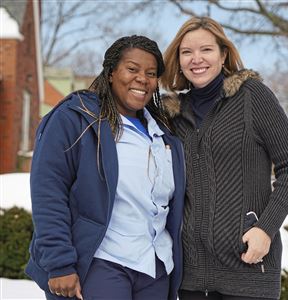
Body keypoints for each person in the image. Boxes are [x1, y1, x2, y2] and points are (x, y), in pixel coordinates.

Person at [25, 35, 185, 300]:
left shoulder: (164, 135)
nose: (142, 79)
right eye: (132, 69)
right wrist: (59, 263)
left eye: (151, 73)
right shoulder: (76, 119)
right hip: (101, 263)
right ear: (111, 73)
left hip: (155, 267)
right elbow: (48, 191)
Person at [160, 17, 288, 300]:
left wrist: (266, 229)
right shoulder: (173, 115)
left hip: (249, 266)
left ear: (223, 54)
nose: (196, 59)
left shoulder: (253, 97)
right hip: (192, 277)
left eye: (206, 50)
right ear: (178, 59)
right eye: (186, 52)